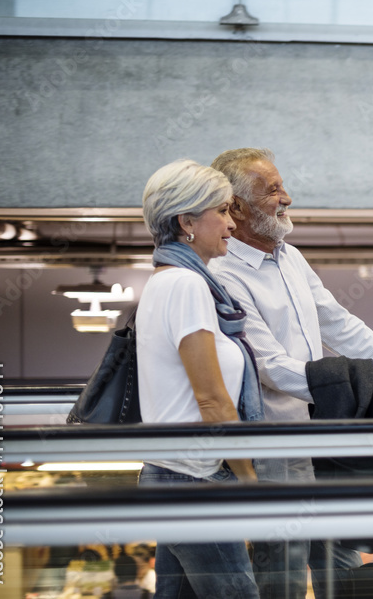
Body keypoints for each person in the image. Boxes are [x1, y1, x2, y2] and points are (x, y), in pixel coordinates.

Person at [208, 147, 373, 599]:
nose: (287, 197)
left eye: (282, 186)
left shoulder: (289, 257)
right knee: (283, 568)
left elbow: (340, 325)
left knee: (340, 562)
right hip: (275, 445)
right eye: (273, 190)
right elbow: (272, 369)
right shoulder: (223, 274)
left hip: (324, 433)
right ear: (239, 208)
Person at [137, 159, 264, 598]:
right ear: (186, 221)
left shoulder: (169, 280)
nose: (232, 223)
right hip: (191, 478)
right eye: (223, 212)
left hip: (177, 472)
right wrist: (250, 481)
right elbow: (212, 399)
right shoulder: (186, 286)